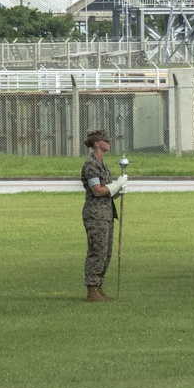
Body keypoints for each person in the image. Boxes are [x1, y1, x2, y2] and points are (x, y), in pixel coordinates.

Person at [80, 129, 127, 302]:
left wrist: (118, 190)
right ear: (97, 143)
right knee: (97, 252)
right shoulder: (91, 165)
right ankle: (92, 290)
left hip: (106, 214)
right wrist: (115, 186)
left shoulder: (103, 166)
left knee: (106, 252)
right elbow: (98, 191)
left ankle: (99, 288)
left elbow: (107, 192)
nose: (109, 142)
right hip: (95, 215)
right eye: (106, 140)